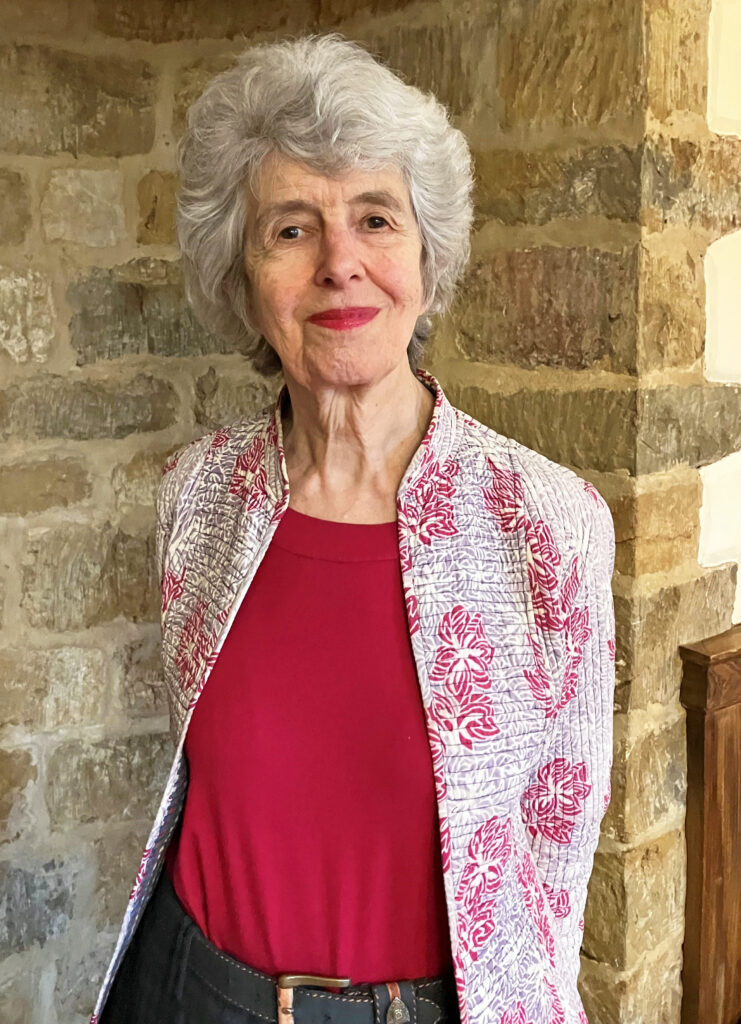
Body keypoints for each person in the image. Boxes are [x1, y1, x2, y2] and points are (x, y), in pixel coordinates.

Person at [93, 32, 616, 1024]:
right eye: (291, 229)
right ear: (242, 280)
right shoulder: (195, 499)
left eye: (375, 218)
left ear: (426, 255)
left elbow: (557, 854)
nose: (341, 263)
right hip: (195, 995)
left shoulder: (550, 527)